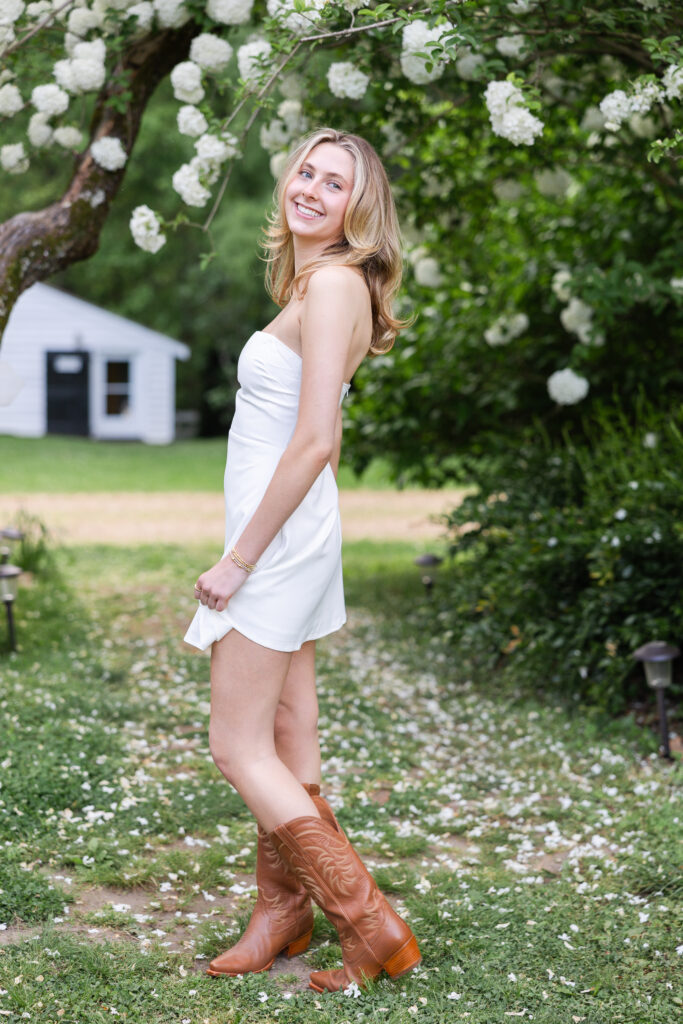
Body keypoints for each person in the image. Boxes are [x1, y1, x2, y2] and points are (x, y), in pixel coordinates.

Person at [183, 127, 420, 993]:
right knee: (287, 732)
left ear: (360, 208)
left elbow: (317, 440)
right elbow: (322, 428)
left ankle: (369, 923)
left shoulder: (329, 287)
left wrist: (239, 559)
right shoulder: (326, 284)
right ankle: (283, 913)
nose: (313, 189)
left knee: (236, 744)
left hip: (275, 543)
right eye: (307, 172)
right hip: (295, 529)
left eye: (336, 183)